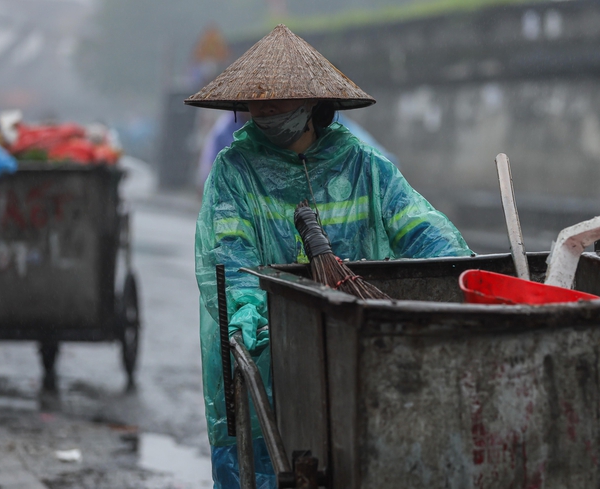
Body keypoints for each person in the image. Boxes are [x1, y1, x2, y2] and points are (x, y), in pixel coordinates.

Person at [186, 25, 472, 488]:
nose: (265, 110)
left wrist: (462, 276)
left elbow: (422, 229)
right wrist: (250, 313)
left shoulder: (363, 165)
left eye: (278, 100)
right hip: (268, 348)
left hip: (352, 344)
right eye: (257, 101)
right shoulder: (233, 172)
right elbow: (228, 253)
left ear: (314, 105)